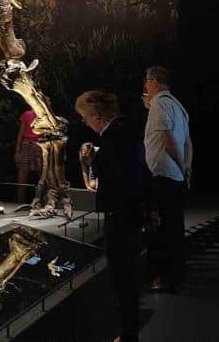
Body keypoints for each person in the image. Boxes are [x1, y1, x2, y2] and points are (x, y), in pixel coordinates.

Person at [76, 89, 146, 342]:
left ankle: (128, 334)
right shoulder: (126, 131)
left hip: (121, 215)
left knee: (122, 277)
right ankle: (128, 331)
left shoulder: (113, 138)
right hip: (130, 212)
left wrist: (91, 163)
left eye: (84, 116)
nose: (84, 122)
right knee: (125, 275)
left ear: (96, 114)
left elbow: (111, 182)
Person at [141, 65, 192, 292]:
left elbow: (169, 140)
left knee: (161, 228)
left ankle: (163, 277)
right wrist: (186, 169)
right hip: (175, 176)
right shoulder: (178, 106)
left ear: (153, 82)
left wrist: (180, 166)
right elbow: (187, 143)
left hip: (164, 175)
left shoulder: (160, 104)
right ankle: (176, 274)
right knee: (174, 227)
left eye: (146, 82)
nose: (145, 87)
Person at [14, 109, 43, 203]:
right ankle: (20, 202)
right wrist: (18, 151)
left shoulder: (47, 116)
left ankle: (41, 201)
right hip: (27, 144)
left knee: (42, 175)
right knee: (23, 173)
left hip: (41, 145)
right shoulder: (27, 114)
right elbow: (21, 133)